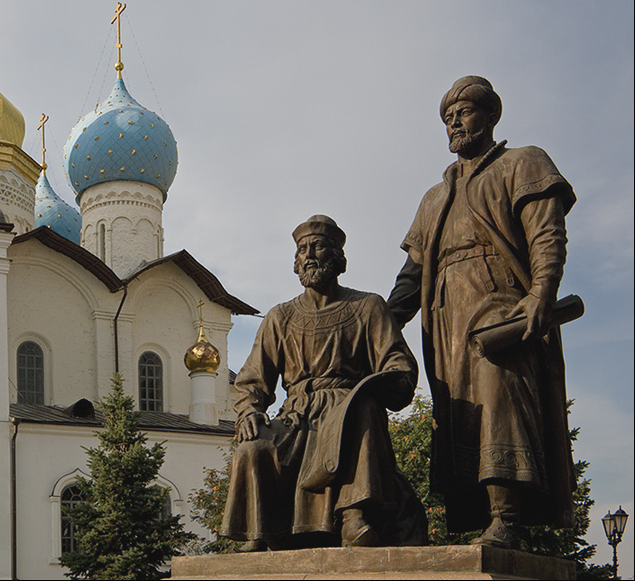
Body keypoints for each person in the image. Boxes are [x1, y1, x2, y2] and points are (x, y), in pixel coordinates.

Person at [387, 76, 576, 549]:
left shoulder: (521, 163)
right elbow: (410, 277)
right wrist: (381, 326)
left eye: (465, 111)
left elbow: (546, 235)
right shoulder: (435, 197)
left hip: (502, 304)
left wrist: (540, 295)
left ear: (491, 115)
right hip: (448, 317)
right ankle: (482, 515)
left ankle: (507, 516)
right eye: (448, 117)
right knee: (460, 414)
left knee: (500, 394)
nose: (454, 121)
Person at [220, 215, 427, 551]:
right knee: (253, 447)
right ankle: (259, 531)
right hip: (296, 417)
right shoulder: (280, 317)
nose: (309, 255)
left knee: (364, 407)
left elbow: (396, 360)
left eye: (317, 247)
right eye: (302, 249)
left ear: (337, 258)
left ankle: (355, 515)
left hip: (347, 408)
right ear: (295, 262)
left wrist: (379, 383)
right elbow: (251, 380)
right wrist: (248, 412)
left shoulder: (367, 306)